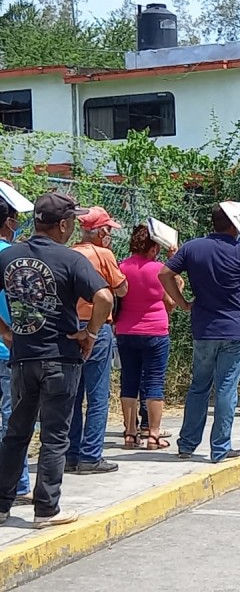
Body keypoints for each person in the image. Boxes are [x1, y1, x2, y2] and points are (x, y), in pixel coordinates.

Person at [0, 192, 113, 528]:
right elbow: (105, 297)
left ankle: (2, 504)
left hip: (23, 357)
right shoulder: (71, 259)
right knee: (55, 436)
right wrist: (89, 333)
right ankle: (46, 509)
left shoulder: (10, 256)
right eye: (72, 221)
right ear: (63, 225)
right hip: (61, 357)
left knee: (16, 432)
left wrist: (6, 331)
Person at [159, 206, 240, 462]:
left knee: (199, 386)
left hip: (204, 327)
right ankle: (220, 447)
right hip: (234, 328)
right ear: (235, 225)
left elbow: (165, 273)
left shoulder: (193, 248)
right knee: (226, 388)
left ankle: (187, 444)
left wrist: (182, 303)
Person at [68, 207, 128, 475]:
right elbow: (121, 288)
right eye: (109, 231)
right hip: (96, 325)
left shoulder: (68, 253)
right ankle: (91, 455)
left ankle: (70, 453)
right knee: (98, 394)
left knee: (72, 393)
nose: (110, 236)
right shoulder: (103, 255)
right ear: (101, 231)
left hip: (69, 326)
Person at [116, 225, 181, 451]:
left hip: (125, 330)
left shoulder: (121, 267)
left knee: (129, 381)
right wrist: (176, 270)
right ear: (153, 247)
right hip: (155, 331)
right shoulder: (160, 270)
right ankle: (153, 435)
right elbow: (171, 304)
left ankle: (129, 433)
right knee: (154, 382)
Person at [0, 198, 31, 505]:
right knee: (15, 419)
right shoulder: (11, 257)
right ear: (8, 222)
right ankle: (17, 484)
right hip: (9, 349)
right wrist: (7, 332)